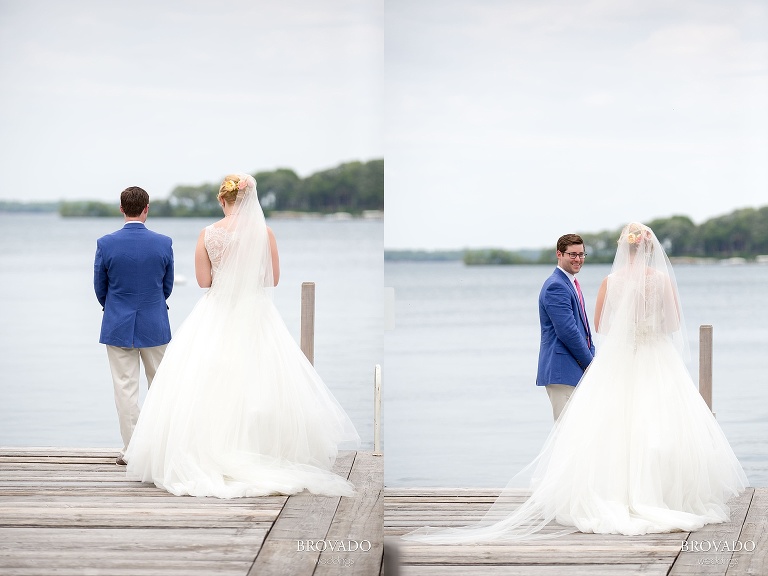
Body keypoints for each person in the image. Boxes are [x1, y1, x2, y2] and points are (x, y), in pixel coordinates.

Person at [403, 222, 748, 543]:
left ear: (622, 249)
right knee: (662, 423)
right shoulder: (661, 280)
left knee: (609, 429)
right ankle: (667, 493)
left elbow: (602, 326)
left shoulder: (611, 282)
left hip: (624, 360)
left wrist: (622, 339)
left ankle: (611, 492)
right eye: (575, 254)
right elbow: (673, 324)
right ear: (650, 248)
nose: (579, 259)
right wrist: (648, 327)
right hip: (657, 358)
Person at [124, 173, 360, 498]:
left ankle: (210, 450)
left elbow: (204, 282)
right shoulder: (265, 233)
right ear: (249, 201)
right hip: (255, 312)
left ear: (222, 200)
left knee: (208, 381)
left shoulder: (207, 234)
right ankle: (262, 452)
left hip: (217, 312)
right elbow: (272, 279)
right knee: (260, 381)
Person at [94, 186, 174, 466]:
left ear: (121, 209)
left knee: (125, 390)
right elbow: (167, 287)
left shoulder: (105, 243)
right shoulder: (164, 243)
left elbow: (100, 288)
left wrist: (116, 307)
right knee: (162, 386)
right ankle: (162, 449)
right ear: (146, 208)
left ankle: (132, 451)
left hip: (118, 323)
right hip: (155, 323)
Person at [537, 233, 595, 421]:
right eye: (572, 254)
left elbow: (583, 329)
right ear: (559, 254)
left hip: (573, 370)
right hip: (562, 371)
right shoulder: (556, 286)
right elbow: (568, 331)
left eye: (581, 254)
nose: (578, 259)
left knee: (579, 434)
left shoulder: (570, 283)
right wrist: (591, 364)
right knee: (565, 436)